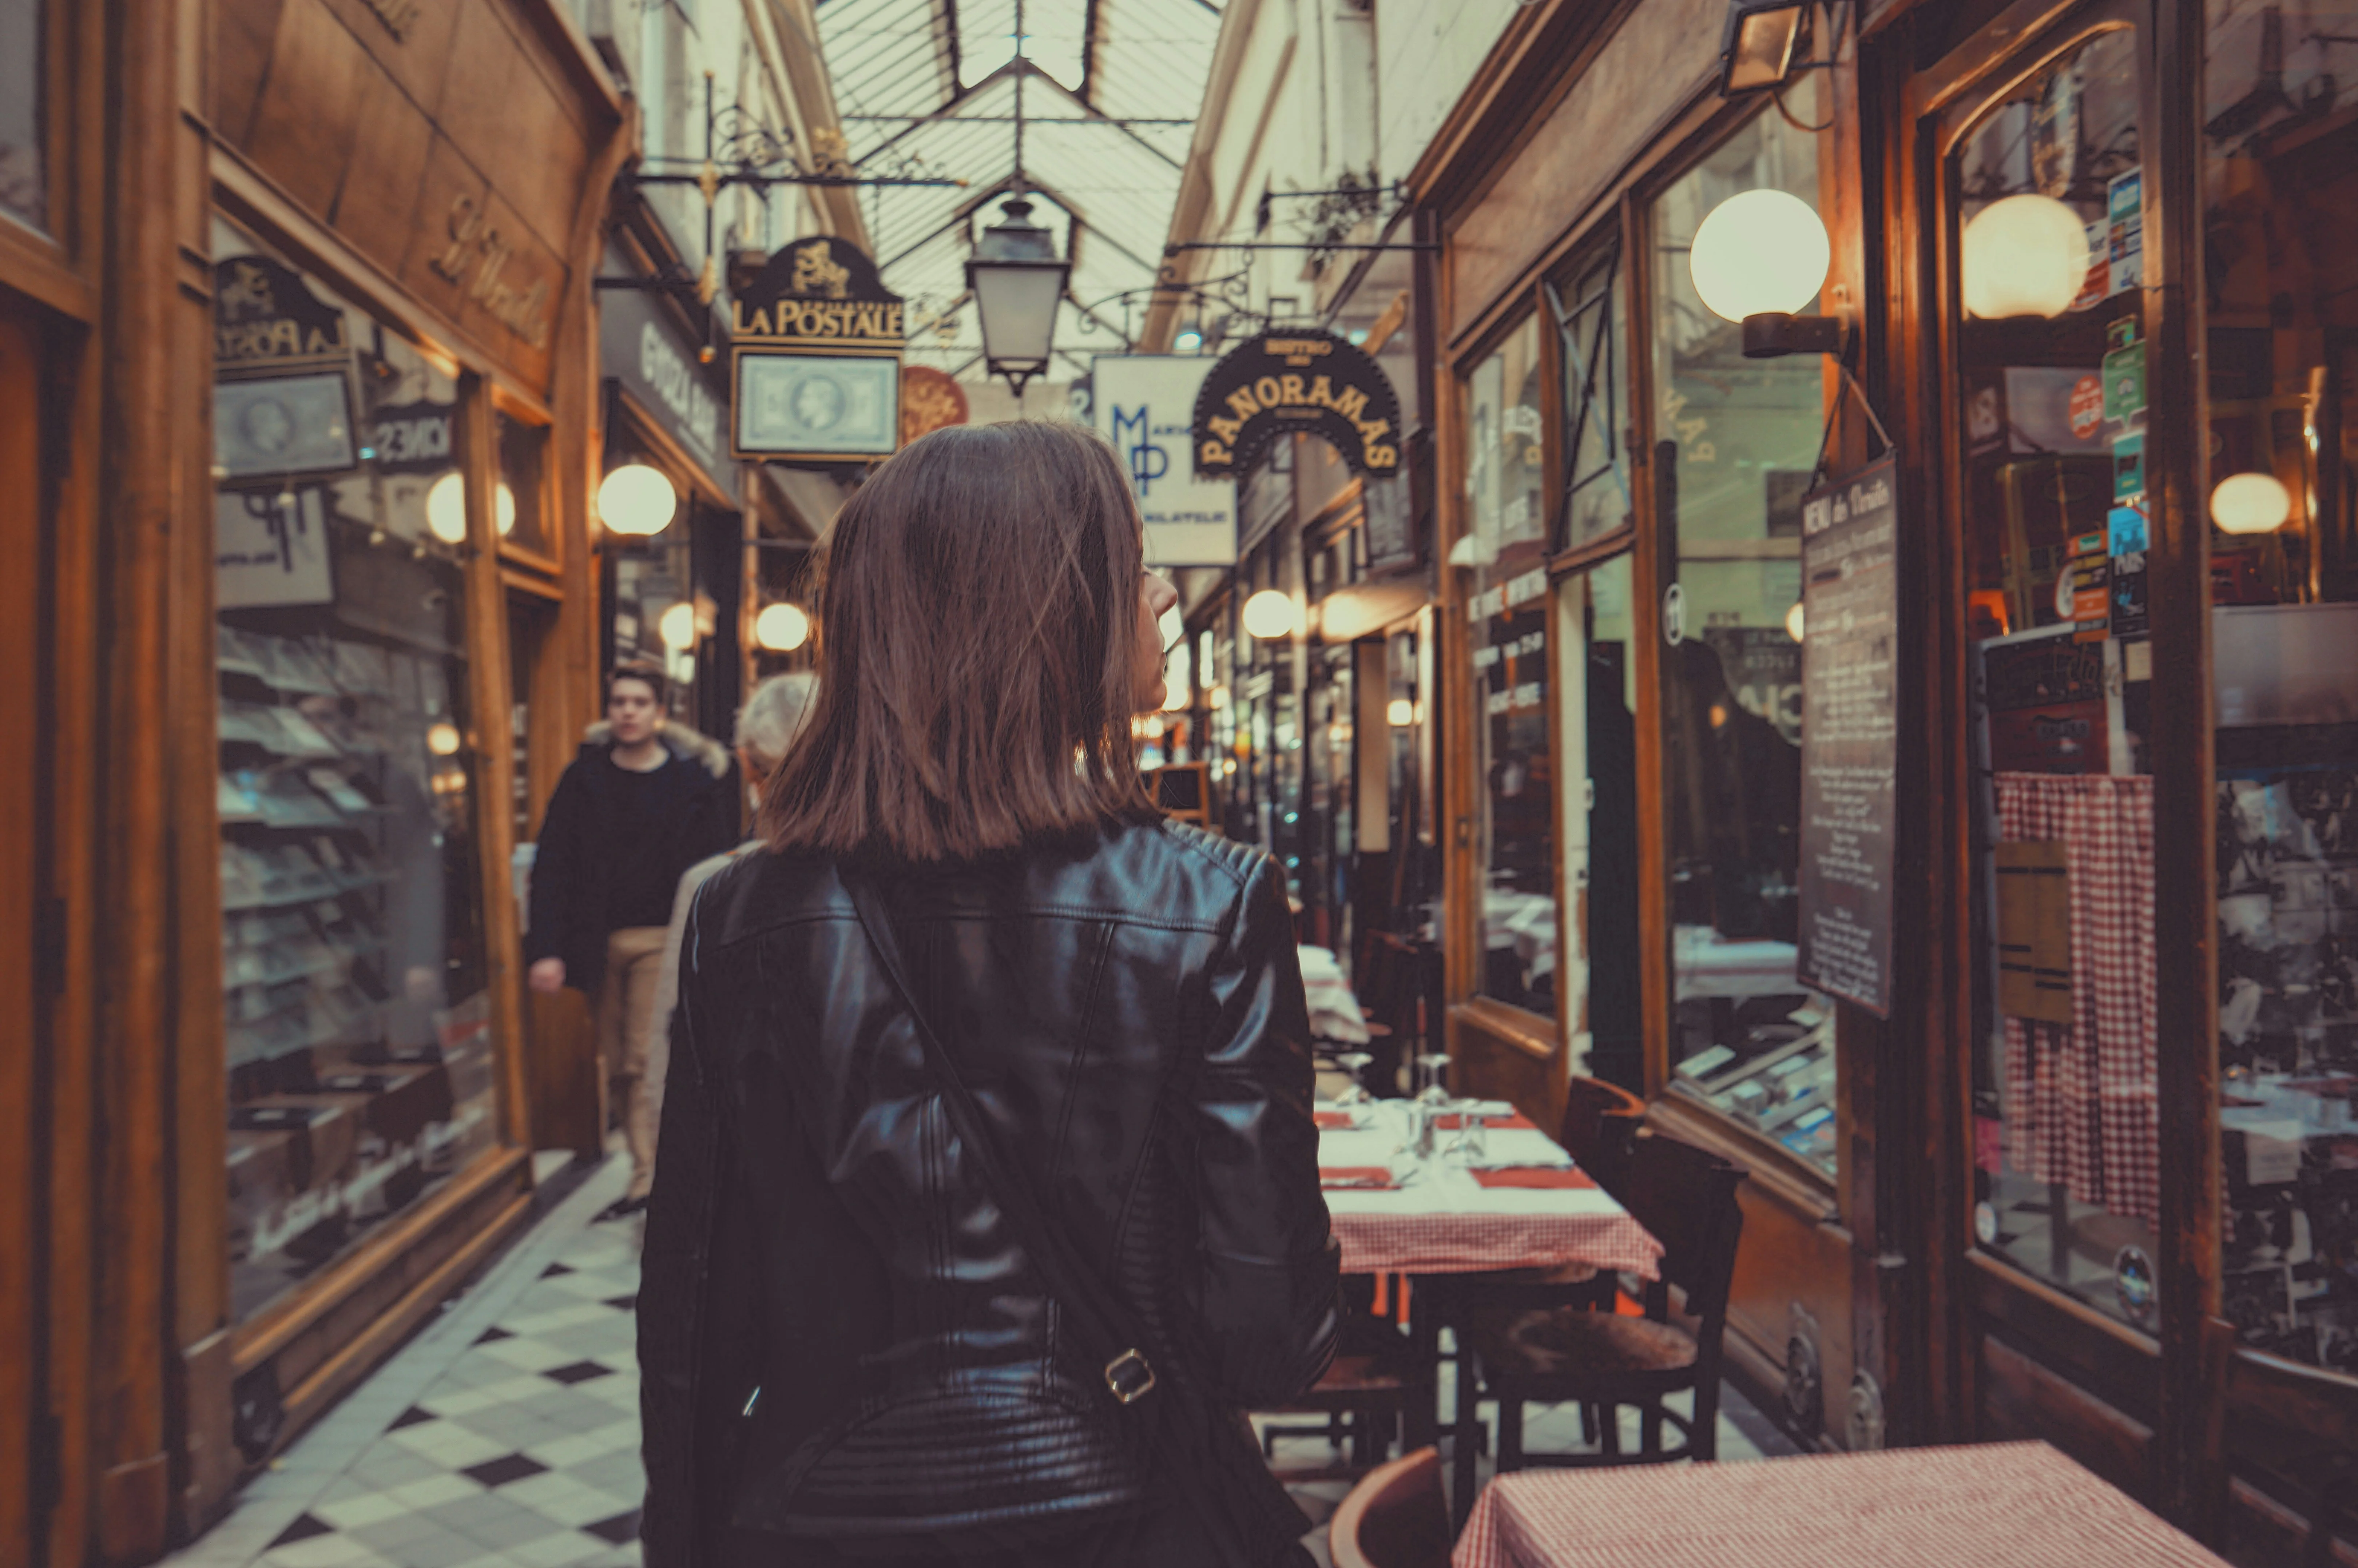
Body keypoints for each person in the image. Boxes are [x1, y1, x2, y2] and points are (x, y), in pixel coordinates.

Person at [639, 421, 1339, 1568]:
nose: (1161, 592)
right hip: (1124, 1516)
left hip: (813, 1516)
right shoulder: (1210, 901)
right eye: (1131, 565)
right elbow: (1267, 1341)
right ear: (1050, 615)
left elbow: (694, 1318)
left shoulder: (740, 914)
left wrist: (684, 1540)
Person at [525, 663, 738, 1221]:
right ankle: (645, 1168)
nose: (628, 711)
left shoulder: (692, 781)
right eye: (619, 701)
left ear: (659, 713)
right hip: (598, 941)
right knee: (619, 1062)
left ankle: (651, 1180)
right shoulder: (584, 778)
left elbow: (720, 865)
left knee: (647, 1055)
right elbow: (553, 865)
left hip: (662, 938)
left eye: (640, 702)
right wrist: (545, 947)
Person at [641, 671, 819, 1147]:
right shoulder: (901, 877)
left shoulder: (712, 886)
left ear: (746, 764)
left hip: (749, 1157)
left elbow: (672, 1043)